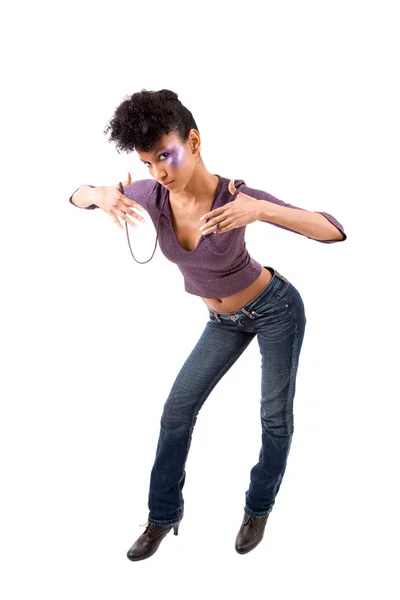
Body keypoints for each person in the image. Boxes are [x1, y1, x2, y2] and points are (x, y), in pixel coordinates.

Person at [69, 88, 347, 561]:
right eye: (148, 161)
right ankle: (162, 517)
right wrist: (100, 194)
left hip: (276, 310)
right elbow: (76, 196)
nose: (160, 171)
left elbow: (333, 229)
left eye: (167, 155)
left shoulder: (234, 196)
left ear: (193, 142)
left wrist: (261, 209)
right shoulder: (152, 196)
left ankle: (258, 507)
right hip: (222, 321)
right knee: (176, 411)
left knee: (274, 416)